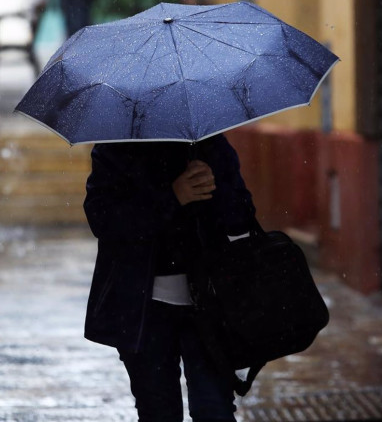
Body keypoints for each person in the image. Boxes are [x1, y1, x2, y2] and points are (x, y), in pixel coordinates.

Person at [83, 134, 256, 422]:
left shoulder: (210, 144)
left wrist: (218, 188)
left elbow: (241, 217)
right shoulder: (116, 149)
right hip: (143, 311)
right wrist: (172, 197)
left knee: (214, 410)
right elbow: (103, 220)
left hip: (210, 308)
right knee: (158, 413)